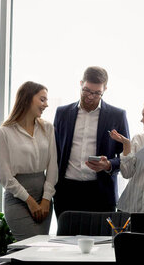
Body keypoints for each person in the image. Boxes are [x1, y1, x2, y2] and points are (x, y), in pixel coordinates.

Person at [0, 81, 58, 265]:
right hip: (18, 199)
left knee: (40, 256)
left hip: (44, 195)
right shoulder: (4, 132)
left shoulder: (48, 128)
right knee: (33, 251)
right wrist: (30, 200)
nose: (46, 104)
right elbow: (4, 175)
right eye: (42, 99)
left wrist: (46, 198)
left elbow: (53, 166)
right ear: (27, 98)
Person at [53, 66, 129, 218]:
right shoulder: (62, 113)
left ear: (104, 89)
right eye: (86, 90)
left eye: (96, 93)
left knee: (101, 241)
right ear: (81, 83)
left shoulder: (117, 115)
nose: (90, 96)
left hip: (101, 193)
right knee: (64, 240)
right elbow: (54, 151)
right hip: (66, 191)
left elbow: (126, 155)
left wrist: (109, 165)